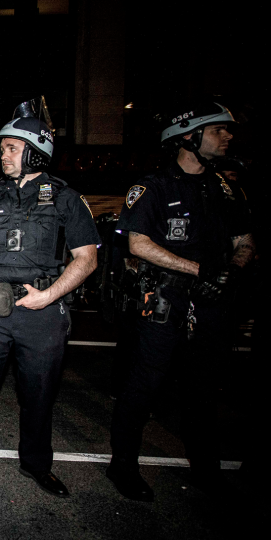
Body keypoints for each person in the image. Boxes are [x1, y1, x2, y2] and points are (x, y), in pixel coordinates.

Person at [0, 99, 99, 498]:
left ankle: (36, 465)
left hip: (42, 312)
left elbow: (87, 258)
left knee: (39, 392)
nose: (3, 155)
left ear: (35, 151)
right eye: (3, 149)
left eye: (11, 148)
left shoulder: (67, 198)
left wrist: (49, 295)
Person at [107, 102, 254, 501]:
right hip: (166, 302)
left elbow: (244, 240)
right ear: (188, 136)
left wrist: (232, 272)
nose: (227, 137)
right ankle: (123, 465)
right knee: (143, 387)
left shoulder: (225, 188)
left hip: (212, 305)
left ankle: (206, 468)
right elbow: (137, 242)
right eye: (218, 130)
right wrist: (198, 270)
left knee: (204, 391)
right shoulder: (153, 186)